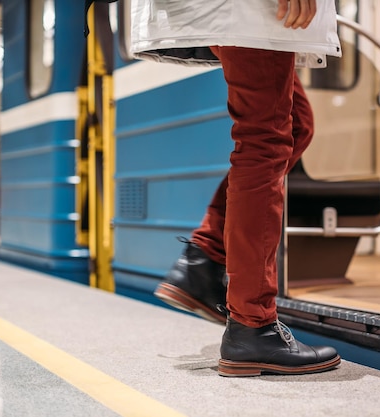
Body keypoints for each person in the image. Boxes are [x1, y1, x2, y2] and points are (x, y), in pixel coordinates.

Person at [130, 0, 342, 377]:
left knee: (294, 126)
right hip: (249, 8)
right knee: (265, 139)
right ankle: (253, 324)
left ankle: (206, 259)